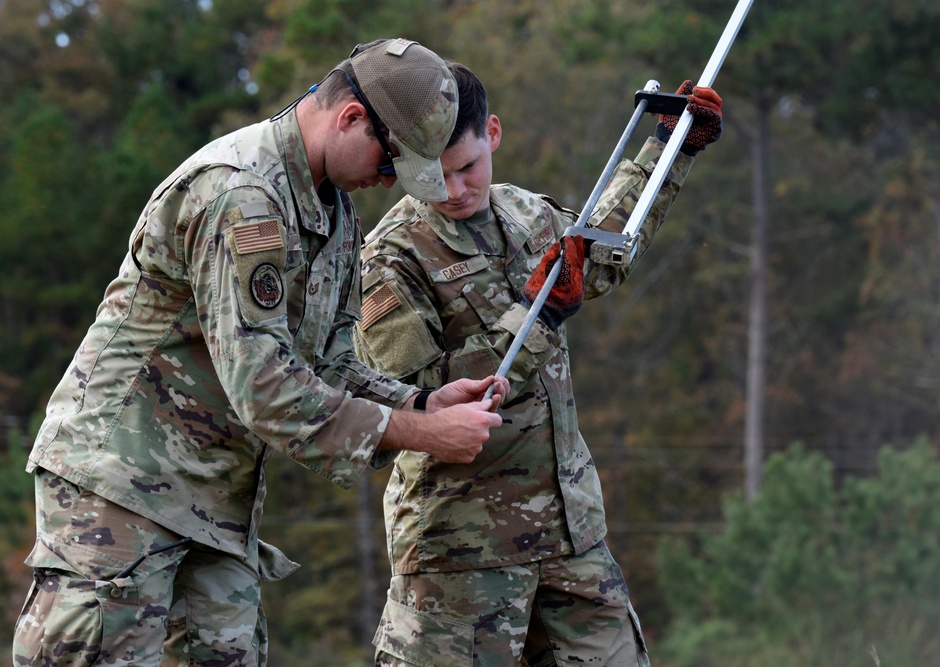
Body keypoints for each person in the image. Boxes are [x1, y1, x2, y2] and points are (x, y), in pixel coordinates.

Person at [12, 39, 509, 667]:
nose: (390, 182)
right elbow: (268, 389)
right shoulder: (241, 195)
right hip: (120, 488)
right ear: (350, 118)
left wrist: (420, 400)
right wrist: (424, 433)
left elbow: (326, 362)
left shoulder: (333, 212)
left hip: (215, 500)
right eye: (390, 163)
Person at [354, 62, 722, 666]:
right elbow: (419, 398)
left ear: (493, 134)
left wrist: (671, 148)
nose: (454, 190)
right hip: (460, 553)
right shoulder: (389, 263)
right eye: (434, 177)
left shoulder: (528, 214)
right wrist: (533, 317)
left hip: (570, 537)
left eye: (467, 167)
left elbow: (601, 252)